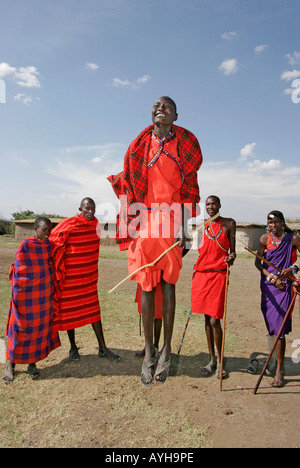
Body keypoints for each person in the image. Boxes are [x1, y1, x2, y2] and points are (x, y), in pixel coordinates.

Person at [108, 96, 202, 387]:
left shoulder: (185, 145)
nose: (160, 109)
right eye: (156, 106)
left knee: (168, 285)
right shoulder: (138, 145)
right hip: (144, 221)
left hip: (171, 221)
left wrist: (185, 229)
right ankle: (149, 352)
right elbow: (131, 183)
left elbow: (190, 190)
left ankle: (167, 352)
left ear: (175, 115)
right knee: (145, 285)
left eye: (167, 107)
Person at [49, 198, 120, 362]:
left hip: (88, 278)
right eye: (87, 208)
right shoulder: (70, 223)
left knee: (94, 312)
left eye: (93, 209)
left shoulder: (95, 225)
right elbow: (54, 238)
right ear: (80, 208)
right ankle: (73, 347)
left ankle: (103, 348)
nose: (90, 211)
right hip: (71, 278)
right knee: (69, 313)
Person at [3, 217, 61, 383]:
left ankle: (32, 364)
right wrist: (19, 291)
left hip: (41, 295)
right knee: (18, 328)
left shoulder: (49, 245)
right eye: (44, 230)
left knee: (36, 329)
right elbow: (18, 269)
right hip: (24, 294)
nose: (47, 233)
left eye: (49, 230)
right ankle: (10, 365)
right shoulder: (26, 245)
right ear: (36, 229)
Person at [191, 196, 236, 379]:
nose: (210, 207)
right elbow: (189, 246)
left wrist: (231, 257)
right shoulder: (201, 225)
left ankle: (220, 360)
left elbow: (232, 252)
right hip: (201, 275)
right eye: (208, 204)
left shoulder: (229, 223)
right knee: (206, 319)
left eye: (213, 204)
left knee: (215, 320)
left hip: (219, 274)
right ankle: (211, 360)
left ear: (219, 205)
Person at [255, 210, 300, 388]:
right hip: (268, 287)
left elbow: (296, 265)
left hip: (284, 288)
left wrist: (293, 270)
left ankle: (279, 370)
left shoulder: (293, 239)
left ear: (282, 222)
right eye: (269, 222)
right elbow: (258, 262)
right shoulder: (264, 239)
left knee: (279, 329)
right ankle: (273, 362)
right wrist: (272, 278)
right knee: (271, 328)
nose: (272, 225)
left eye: (275, 222)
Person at [134, 283, 163, 359]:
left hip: (159, 275)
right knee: (146, 311)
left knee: (158, 311)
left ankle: (156, 345)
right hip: (145, 276)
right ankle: (148, 346)